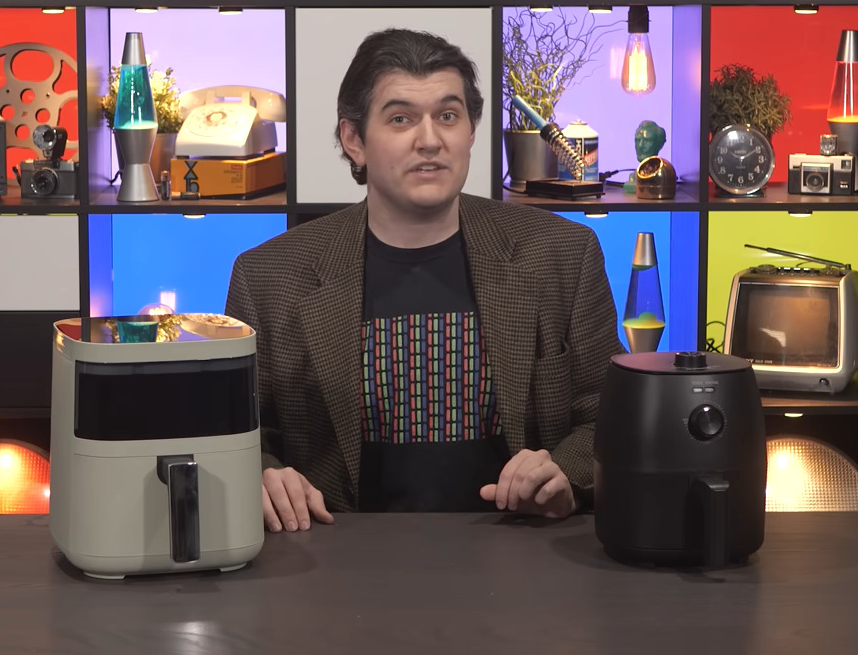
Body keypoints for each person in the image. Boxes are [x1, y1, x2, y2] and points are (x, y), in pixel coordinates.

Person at [224, 28, 625, 533]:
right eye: (401, 119)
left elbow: (608, 417)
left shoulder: (561, 254)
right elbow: (236, 435)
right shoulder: (268, 275)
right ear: (354, 140)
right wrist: (262, 474)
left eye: (448, 116)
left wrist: (564, 476)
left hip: (521, 551)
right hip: (334, 556)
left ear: (471, 132)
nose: (430, 140)